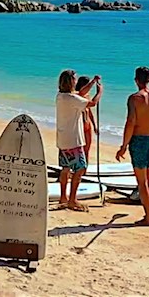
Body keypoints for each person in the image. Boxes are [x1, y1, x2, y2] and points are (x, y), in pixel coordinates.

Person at [115, 66, 149, 226]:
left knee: (142, 181)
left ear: (136, 80)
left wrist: (124, 145)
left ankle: (148, 217)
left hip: (138, 141)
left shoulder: (134, 98)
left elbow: (130, 122)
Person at [55, 70, 102, 211]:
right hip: (74, 139)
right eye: (74, 80)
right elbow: (92, 103)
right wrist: (100, 92)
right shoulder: (72, 99)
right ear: (71, 82)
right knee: (80, 168)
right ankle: (72, 199)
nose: (76, 82)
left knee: (65, 168)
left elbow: (80, 94)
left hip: (63, 139)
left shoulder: (61, 96)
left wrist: (93, 82)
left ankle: (63, 197)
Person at [74, 76, 100, 157]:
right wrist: (99, 92)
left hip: (87, 124)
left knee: (87, 149)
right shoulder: (76, 95)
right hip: (80, 125)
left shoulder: (87, 95)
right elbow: (93, 104)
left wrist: (94, 125)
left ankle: (85, 168)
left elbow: (90, 112)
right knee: (80, 149)